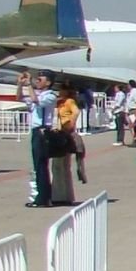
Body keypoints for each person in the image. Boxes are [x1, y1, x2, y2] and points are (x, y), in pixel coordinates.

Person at [20, 71, 57, 207]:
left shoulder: (50, 96)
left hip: (43, 131)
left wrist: (29, 85)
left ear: (48, 82)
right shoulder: (37, 94)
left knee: (41, 165)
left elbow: (37, 101)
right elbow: (20, 98)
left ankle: (43, 198)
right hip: (36, 131)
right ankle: (40, 196)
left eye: (40, 80)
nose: (37, 82)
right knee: (37, 165)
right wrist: (20, 85)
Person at [51, 83, 80, 204]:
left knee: (60, 166)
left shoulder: (69, 101)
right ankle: (61, 195)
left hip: (64, 132)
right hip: (58, 131)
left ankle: (62, 196)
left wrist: (71, 124)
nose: (59, 92)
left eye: (62, 90)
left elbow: (76, 112)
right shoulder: (59, 102)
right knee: (59, 166)